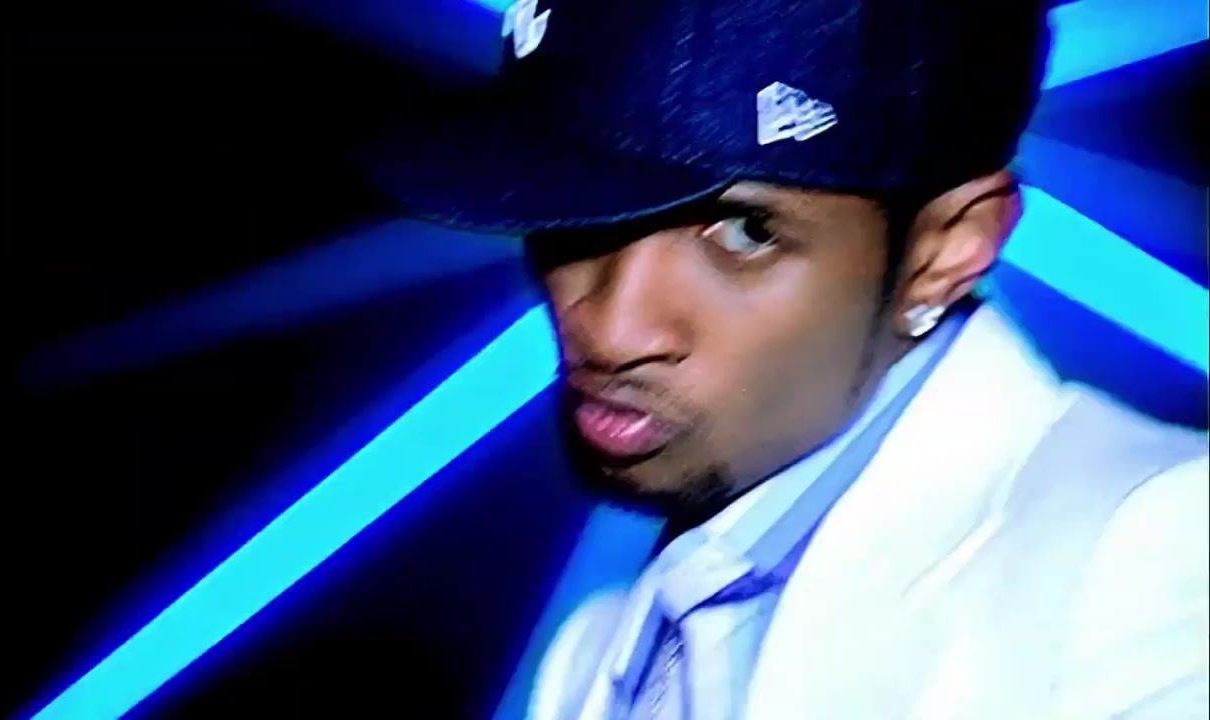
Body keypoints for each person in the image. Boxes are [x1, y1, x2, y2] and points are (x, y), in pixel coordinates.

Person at [364, 0, 1210, 717]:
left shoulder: (1155, 552)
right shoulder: (593, 655)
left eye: (746, 233)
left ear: (947, 250)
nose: (614, 330)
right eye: (572, 208)